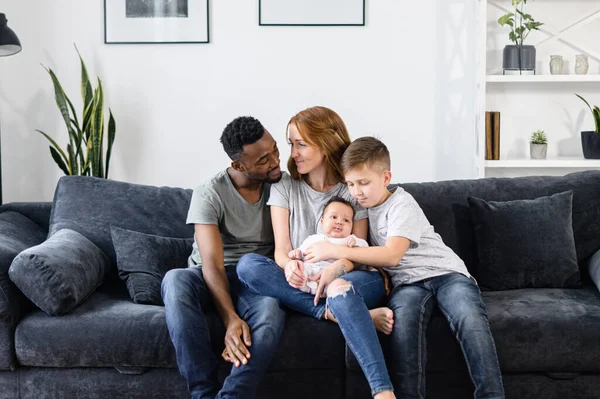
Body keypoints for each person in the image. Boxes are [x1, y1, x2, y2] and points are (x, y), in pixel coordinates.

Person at [303, 136, 505, 399]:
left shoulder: (402, 203)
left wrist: (333, 250)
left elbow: (392, 255)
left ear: (386, 178)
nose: (356, 192)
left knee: (470, 319)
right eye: (351, 184)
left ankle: (492, 395)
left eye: (364, 183)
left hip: (445, 274)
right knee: (404, 329)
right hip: (408, 285)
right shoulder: (359, 211)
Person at [237, 106, 396, 399]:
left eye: (301, 144)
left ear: (325, 143)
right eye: (291, 144)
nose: (293, 153)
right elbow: (282, 250)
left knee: (337, 286)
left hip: (351, 276)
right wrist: (288, 267)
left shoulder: (353, 187)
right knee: (248, 266)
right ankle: (335, 313)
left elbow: (357, 255)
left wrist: (333, 269)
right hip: (306, 280)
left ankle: (383, 392)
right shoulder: (285, 186)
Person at [161, 116, 286, 399]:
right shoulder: (210, 193)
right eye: (264, 160)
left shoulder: (283, 186)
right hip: (209, 276)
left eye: (275, 150)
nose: (276, 162)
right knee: (174, 280)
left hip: (255, 277)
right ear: (238, 166)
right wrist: (230, 319)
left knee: (270, 311)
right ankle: (202, 393)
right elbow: (213, 265)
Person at [288, 196, 369, 296]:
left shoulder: (349, 239)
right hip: (311, 269)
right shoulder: (313, 238)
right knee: (299, 268)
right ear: (322, 222)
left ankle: (321, 292)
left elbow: (365, 250)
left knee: (339, 285)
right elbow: (301, 252)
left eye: (346, 220)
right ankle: (306, 285)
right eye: (334, 217)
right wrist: (296, 253)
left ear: (352, 226)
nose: (339, 222)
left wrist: (355, 243)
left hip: (334, 275)